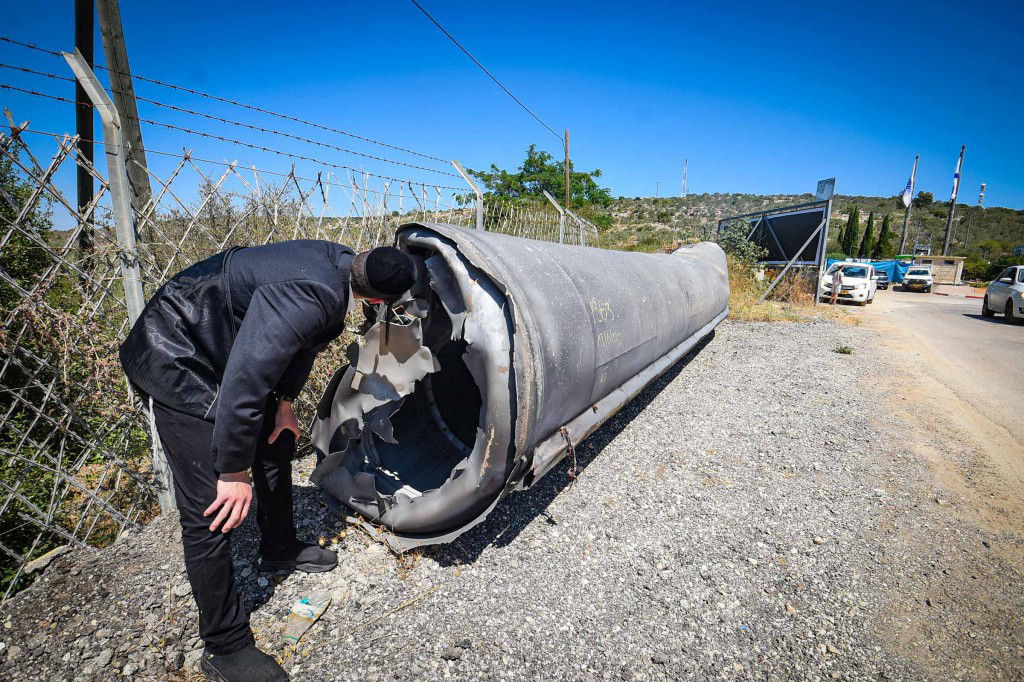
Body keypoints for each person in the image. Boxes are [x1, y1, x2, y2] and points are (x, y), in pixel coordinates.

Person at [119, 241, 416, 682]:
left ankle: (277, 546)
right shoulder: (315, 294)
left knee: (277, 441)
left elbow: (295, 346)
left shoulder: (339, 269)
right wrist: (233, 470)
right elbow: (246, 379)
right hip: (175, 352)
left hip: (222, 347)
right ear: (375, 299)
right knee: (210, 509)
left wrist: (285, 403)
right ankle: (225, 647)